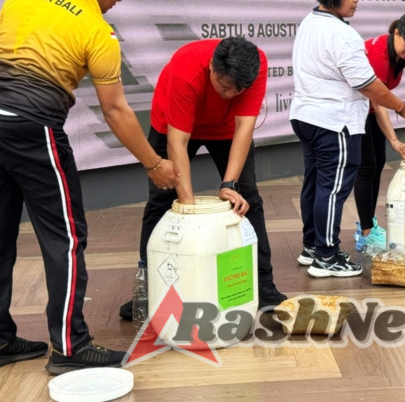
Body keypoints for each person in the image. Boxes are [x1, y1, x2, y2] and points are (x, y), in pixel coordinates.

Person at [0, 0, 178, 374]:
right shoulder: (97, 31)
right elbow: (116, 110)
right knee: (66, 236)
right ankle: (70, 346)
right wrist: (155, 165)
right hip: (31, 126)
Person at [118, 37, 287, 315]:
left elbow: (245, 129)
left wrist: (229, 184)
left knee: (247, 199)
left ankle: (263, 283)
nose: (231, 96)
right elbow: (177, 144)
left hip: (225, 130)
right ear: (211, 67)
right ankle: (149, 289)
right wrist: (188, 206)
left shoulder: (254, 65)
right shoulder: (187, 68)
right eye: (224, 88)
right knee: (163, 201)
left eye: (238, 91)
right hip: (173, 127)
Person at [290, 0, 405, 278]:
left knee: (316, 184)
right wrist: (402, 108)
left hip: (306, 117)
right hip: (334, 122)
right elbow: (368, 84)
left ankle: (312, 246)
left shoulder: (309, 22)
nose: (357, 0)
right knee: (333, 190)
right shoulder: (342, 33)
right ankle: (327, 255)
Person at [353, 12, 405, 251]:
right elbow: (377, 99)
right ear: (396, 33)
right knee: (366, 166)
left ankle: (370, 225)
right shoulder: (378, 54)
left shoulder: (398, 56)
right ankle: (365, 231)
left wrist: (393, 139)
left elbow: (381, 99)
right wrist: (394, 139)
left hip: (370, 110)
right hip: (355, 109)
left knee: (378, 163)